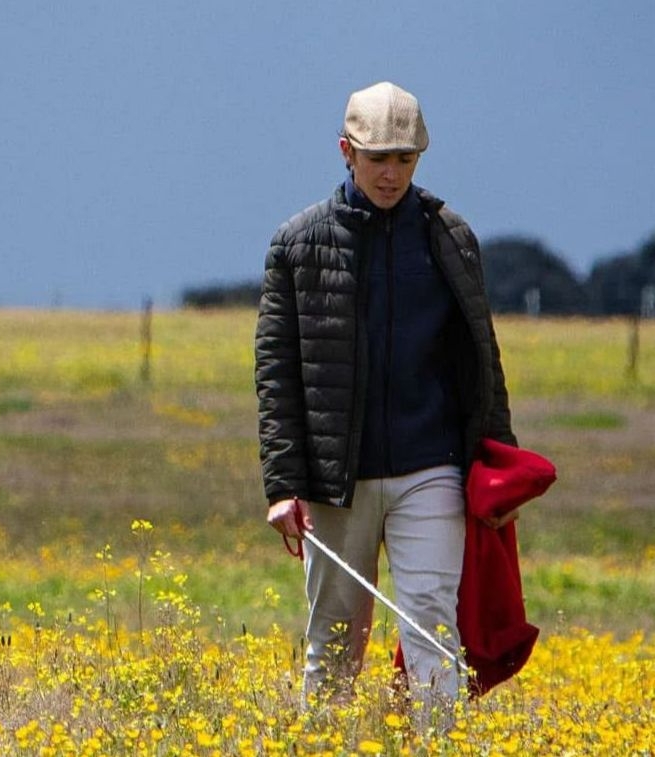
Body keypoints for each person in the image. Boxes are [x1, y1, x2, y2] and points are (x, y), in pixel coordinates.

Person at [254, 82, 517, 720]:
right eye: (378, 159)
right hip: (334, 480)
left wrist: (500, 467)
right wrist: (283, 486)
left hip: (432, 468)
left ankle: (438, 742)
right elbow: (277, 372)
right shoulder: (297, 242)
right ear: (346, 152)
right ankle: (325, 742)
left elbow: (482, 357)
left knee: (431, 622)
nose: (392, 174)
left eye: (405, 159)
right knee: (335, 633)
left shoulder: (451, 236)